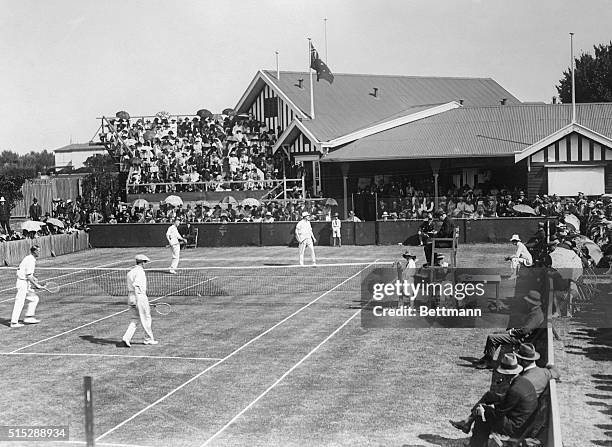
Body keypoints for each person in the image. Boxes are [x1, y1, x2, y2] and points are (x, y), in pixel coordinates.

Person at [450, 353, 538, 446]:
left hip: (515, 426)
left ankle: (476, 444)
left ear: (506, 375)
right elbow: (509, 403)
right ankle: (467, 422)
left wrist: (485, 409)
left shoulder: (514, 390)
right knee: (489, 396)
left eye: (502, 374)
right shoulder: (522, 381)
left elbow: (499, 413)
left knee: (483, 414)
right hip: (523, 419)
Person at [474, 290, 545, 369]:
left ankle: (487, 361)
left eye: (527, 301)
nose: (526, 303)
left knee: (492, 338)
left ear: (531, 303)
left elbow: (524, 331)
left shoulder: (536, 315)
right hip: (521, 335)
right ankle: (487, 357)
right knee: (496, 333)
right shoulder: (535, 311)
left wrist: (510, 331)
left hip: (521, 339)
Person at [120, 254, 158, 347]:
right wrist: (139, 301)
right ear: (142, 262)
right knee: (146, 318)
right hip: (139, 296)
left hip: (131, 297)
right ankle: (148, 339)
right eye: (145, 262)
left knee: (135, 319)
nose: (146, 264)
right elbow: (137, 286)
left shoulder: (130, 272)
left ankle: (126, 338)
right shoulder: (140, 272)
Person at [10, 245, 44, 327]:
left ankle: (29, 317)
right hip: (22, 283)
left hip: (25, 283)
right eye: (38, 251)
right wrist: (37, 285)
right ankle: (14, 322)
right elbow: (28, 276)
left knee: (34, 298)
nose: (39, 252)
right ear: (34, 251)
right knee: (19, 302)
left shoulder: (30, 258)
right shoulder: (30, 260)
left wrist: (34, 278)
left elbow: (27, 273)